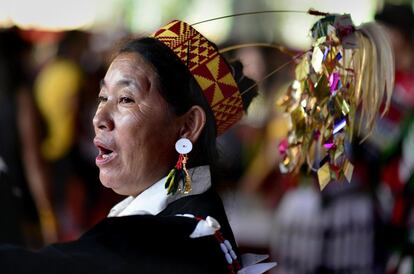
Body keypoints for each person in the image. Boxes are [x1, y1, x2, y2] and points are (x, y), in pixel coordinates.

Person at [0, 20, 275, 274]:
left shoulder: (169, 241)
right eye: (103, 96)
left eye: (126, 99)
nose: (99, 118)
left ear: (188, 126)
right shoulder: (188, 224)